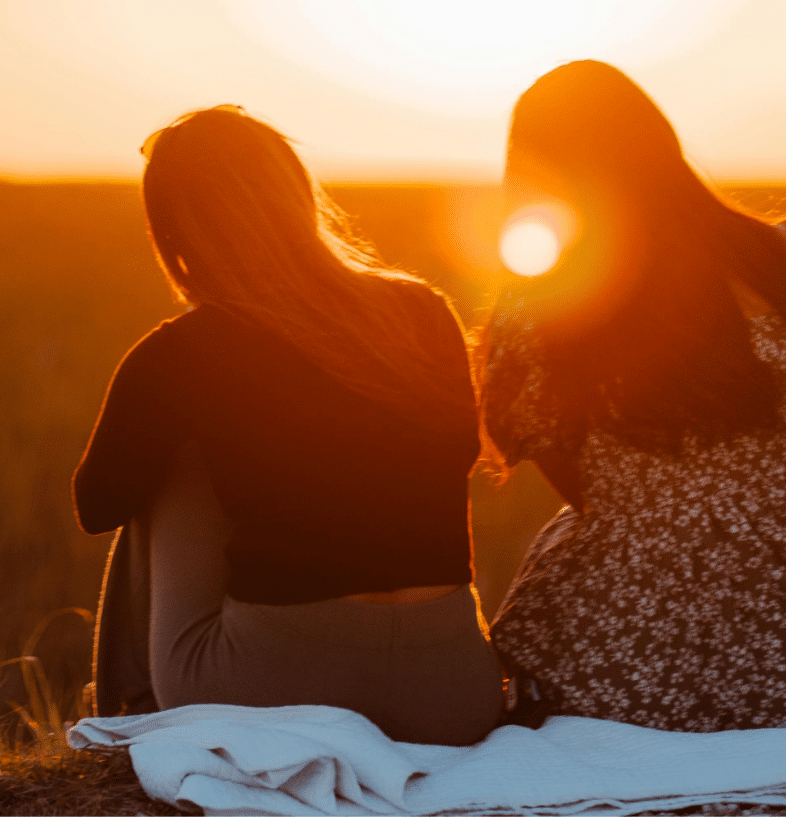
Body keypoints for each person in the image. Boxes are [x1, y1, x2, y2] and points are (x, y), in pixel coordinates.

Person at [479, 60, 786, 731]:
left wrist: (673, 513)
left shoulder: (546, 306)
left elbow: (582, 490)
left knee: (565, 584)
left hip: (631, 640)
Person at [73, 105, 501, 743]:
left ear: (175, 232)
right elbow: (459, 455)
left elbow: (98, 503)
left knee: (172, 464)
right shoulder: (423, 311)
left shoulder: (181, 352)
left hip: (273, 690)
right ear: (298, 196)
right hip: (454, 693)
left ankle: (131, 706)